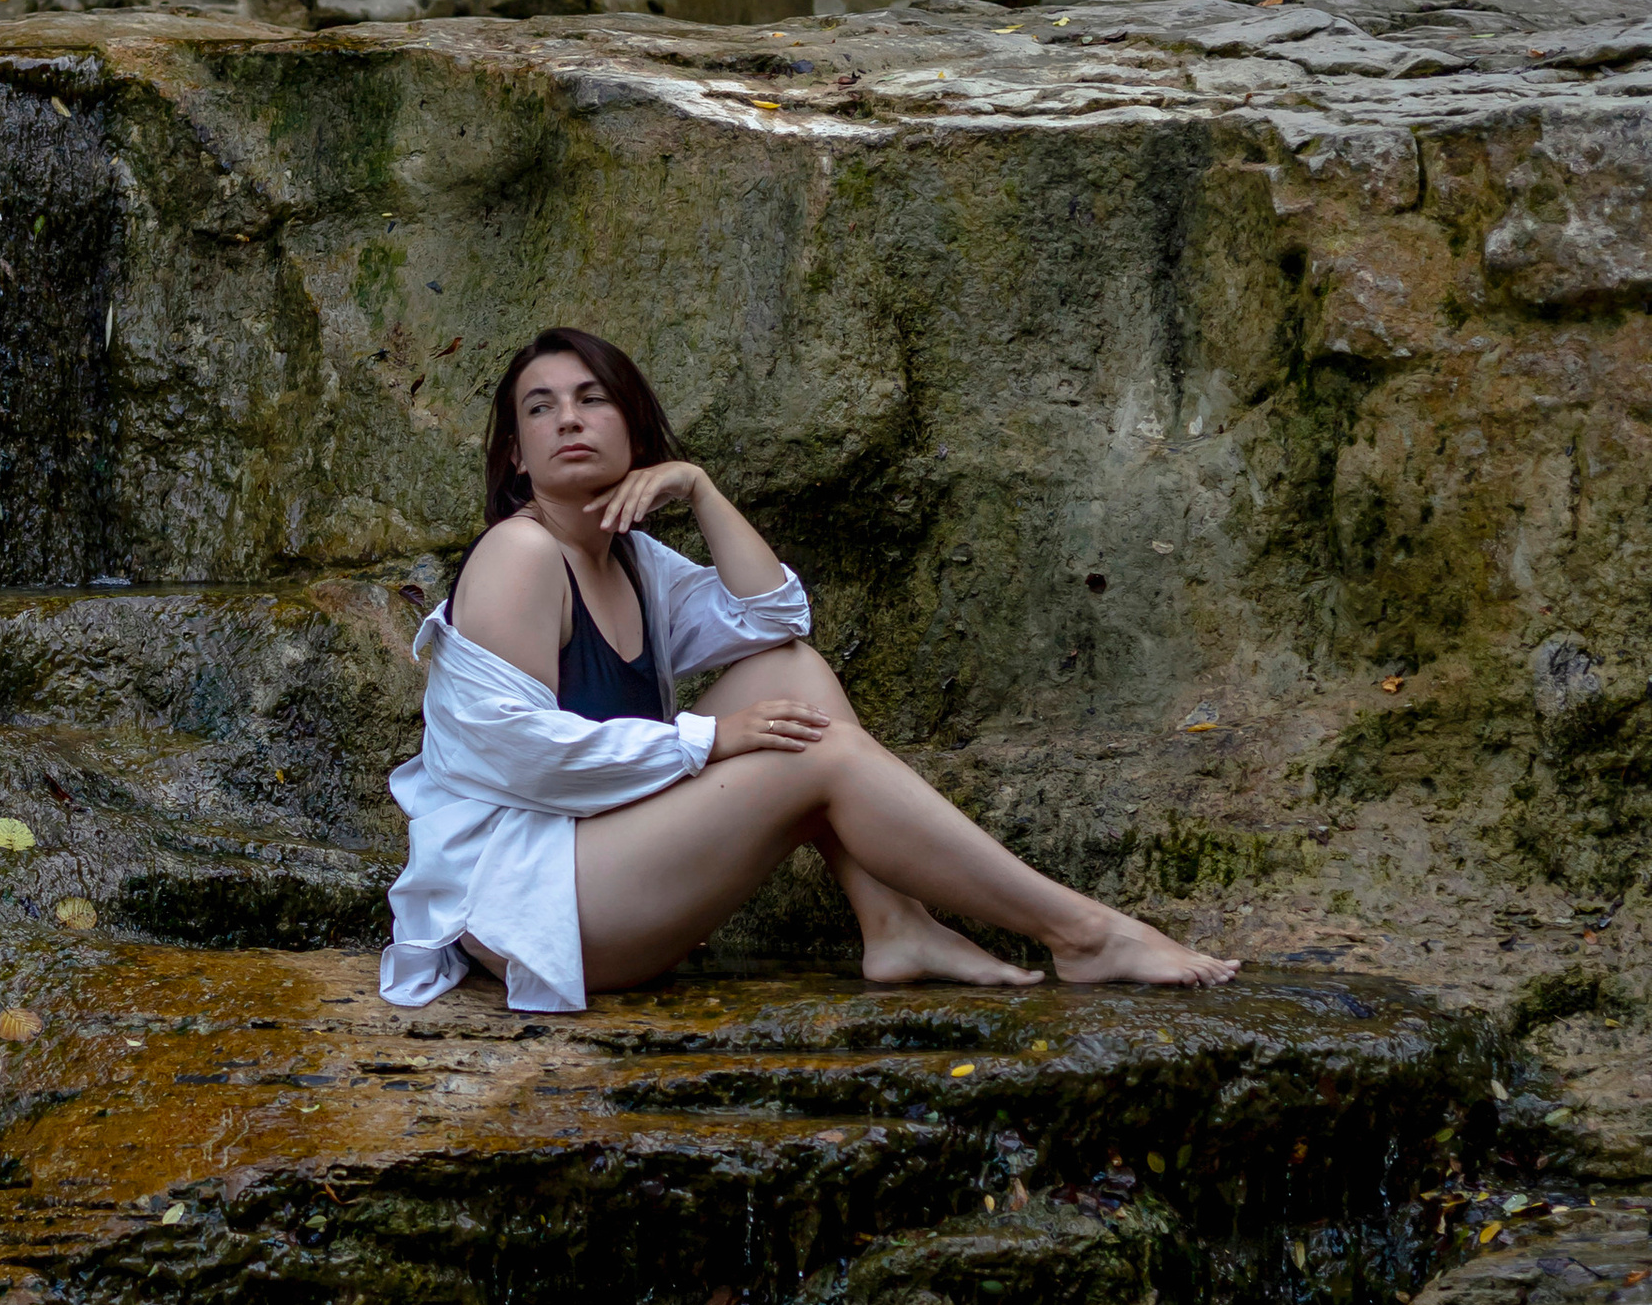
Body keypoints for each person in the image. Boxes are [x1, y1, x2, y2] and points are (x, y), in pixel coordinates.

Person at [379, 325, 1238, 1013]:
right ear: (517, 456)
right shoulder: (520, 554)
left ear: (634, 429)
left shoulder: (635, 560)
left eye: (592, 399)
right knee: (820, 753)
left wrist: (701, 491)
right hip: (527, 904)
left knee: (791, 670)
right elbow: (520, 758)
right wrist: (714, 739)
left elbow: (774, 618)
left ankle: (893, 921)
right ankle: (1083, 934)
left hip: (602, 873)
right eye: (541, 409)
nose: (568, 418)